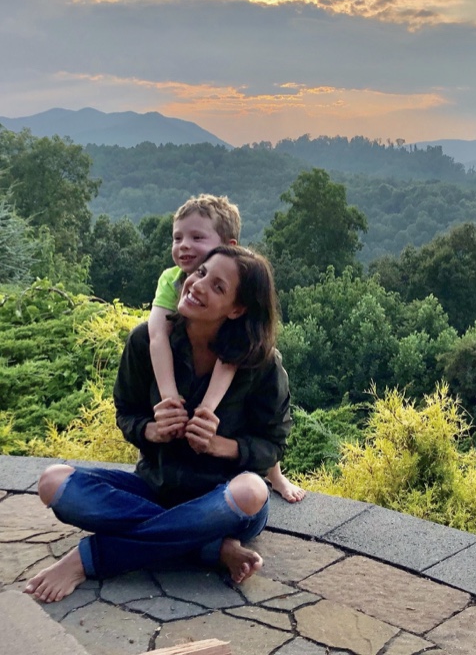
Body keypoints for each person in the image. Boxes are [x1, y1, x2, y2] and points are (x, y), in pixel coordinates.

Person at [24, 245, 292, 604]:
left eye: (218, 287)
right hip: (155, 486)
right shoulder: (145, 342)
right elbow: (127, 412)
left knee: (251, 491)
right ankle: (208, 547)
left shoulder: (260, 364)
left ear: (238, 309)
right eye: (200, 274)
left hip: (223, 501)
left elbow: (272, 444)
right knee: (53, 483)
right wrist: (149, 430)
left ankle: (90, 559)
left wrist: (220, 446)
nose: (197, 286)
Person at [148, 194, 305, 503]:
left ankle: (275, 475)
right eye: (177, 237)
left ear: (228, 247)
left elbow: (230, 357)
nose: (184, 246)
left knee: (256, 407)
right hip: (177, 474)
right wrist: (169, 397)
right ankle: (213, 541)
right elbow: (156, 333)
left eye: (196, 237)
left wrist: (206, 410)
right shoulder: (172, 280)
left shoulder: (242, 285)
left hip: (238, 354)